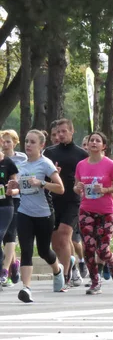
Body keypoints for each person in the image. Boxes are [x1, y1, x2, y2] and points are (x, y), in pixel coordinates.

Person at [7, 130, 65, 303]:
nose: (28, 145)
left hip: (44, 214)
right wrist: (14, 187)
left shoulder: (45, 164)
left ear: (41, 146)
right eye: (26, 141)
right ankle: (26, 288)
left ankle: (57, 270)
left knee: (43, 251)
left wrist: (42, 183)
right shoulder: (22, 166)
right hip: (24, 212)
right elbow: (22, 189)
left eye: (32, 142)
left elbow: (60, 188)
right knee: (26, 250)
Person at [74, 132, 113, 295]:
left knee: (102, 249)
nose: (93, 142)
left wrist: (105, 190)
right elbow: (76, 186)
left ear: (104, 146)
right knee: (88, 246)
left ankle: (111, 261)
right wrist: (78, 188)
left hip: (106, 211)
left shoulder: (110, 165)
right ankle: (95, 281)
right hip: (86, 209)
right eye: (91, 140)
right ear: (87, 145)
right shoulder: (81, 165)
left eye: (97, 140)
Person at [43, 118, 89, 290]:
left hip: (73, 200)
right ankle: (67, 262)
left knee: (64, 234)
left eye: (64, 131)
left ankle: (65, 277)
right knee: (56, 243)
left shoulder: (81, 154)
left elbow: (88, 175)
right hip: (52, 200)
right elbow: (42, 175)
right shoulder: (49, 152)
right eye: (58, 132)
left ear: (72, 131)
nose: (60, 135)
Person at [1, 129, 27, 286]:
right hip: (2, 199)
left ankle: (4, 270)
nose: (5, 144)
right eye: (3, 141)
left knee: (10, 234)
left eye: (8, 141)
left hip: (16, 200)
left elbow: (22, 177)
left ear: (15, 142)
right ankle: (14, 263)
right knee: (4, 236)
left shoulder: (21, 158)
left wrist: (15, 188)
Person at [0, 144, 19, 286]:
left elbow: (17, 187)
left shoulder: (8, 163)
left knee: (2, 236)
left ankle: (4, 269)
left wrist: (11, 191)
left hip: (6, 206)